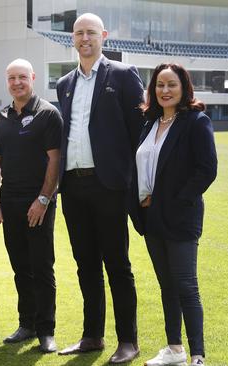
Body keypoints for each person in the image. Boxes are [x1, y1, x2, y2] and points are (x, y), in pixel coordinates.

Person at [55, 13, 145, 364]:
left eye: (91, 32)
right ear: (73, 40)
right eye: (79, 33)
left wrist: (134, 182)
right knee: (85, 264)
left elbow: (140, 130)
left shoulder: (123, 75)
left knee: (117, 264)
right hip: (73, 187)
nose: (85, 38)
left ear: (103, 36)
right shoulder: (65, 83)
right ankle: (92, 335)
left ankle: (129, 341)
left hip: (108, 186)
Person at [132, 63, 216, 366]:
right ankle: (174, 349)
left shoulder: (196, 121)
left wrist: (169, 200)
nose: (165, 91)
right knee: (167, 285)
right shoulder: (149, 122)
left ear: (184, 88)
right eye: (159, 85)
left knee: (185, 286)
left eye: (171, 85)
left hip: (180, 217)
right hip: (150, 218)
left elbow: (206, 170)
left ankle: (197, 357)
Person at [0, 59, 62, 353]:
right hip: (11, 201)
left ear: (32, 78)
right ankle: (27, 323)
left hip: (38, 202)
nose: (17, 83)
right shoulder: (2, 117)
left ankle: (46, 330)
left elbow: (55, 160)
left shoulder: (47, 114)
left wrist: (43, 200)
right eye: (11, 78)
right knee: (21, 267)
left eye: (22, 77)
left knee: (42, 266)